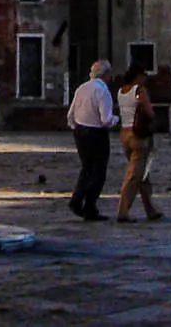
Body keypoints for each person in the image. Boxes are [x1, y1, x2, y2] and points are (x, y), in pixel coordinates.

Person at [66, 59, 118, 221]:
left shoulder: (82, 88)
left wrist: (77, 128)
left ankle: (77, 200)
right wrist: (117, 119)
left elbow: (70, 115)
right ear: (107, 75)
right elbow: (105, 119)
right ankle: (89, 207)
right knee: (99, 172)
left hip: (80, 131)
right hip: (97, 134)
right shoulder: (103, 91)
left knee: (86, 168)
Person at [114, 64, 164, 221]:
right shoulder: (140, 91)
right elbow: (149, 112)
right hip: (139, 136)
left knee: (143, 173)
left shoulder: (121, 92)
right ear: (138, 76)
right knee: (134, 175)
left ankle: (151, 209)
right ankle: (123, 211)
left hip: (124, 134)